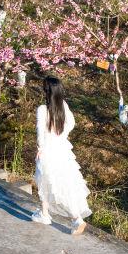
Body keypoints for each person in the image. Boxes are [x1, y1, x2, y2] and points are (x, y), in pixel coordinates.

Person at [32, 75, 92, 235]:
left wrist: (40, 147)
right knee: (58, 182)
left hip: (48, 149)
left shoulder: (42, 109)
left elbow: (40, 131)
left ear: (46, 91)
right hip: (62, 148)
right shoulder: (63, 106)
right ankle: (44, 213)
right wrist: (62, 135)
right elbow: (72, 123)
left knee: (49, 181)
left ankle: (75, 218)